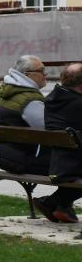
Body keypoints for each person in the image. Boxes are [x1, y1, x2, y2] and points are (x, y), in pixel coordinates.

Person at [35, 63, 82, 223]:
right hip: (74, 165)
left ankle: (58, 205)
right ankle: (52, 203)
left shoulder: (54, 99)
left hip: (57, 162)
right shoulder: (77, 103)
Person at [0, 55, 49, 174]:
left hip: (8, 158)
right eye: (41, 71)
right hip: (26, 160)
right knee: (72, 163)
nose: (45, 74)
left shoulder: (12, 93)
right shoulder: (30, 100)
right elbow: (48, 130)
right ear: (27, 75)